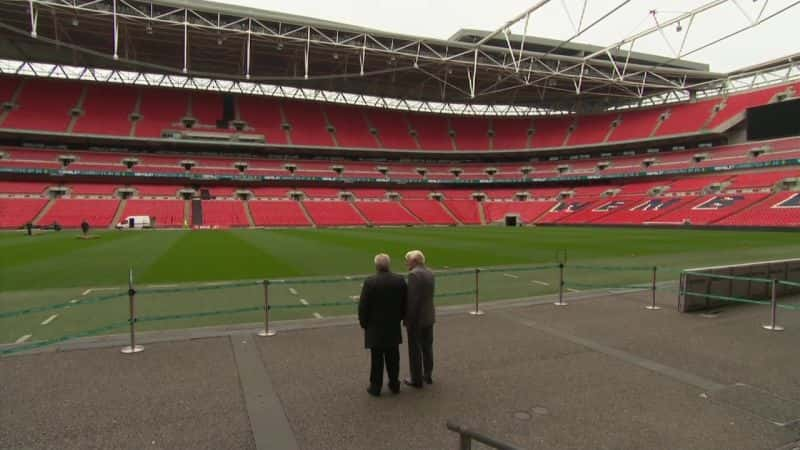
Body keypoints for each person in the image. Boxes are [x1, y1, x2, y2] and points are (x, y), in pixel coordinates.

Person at [358, 253, 407, 397]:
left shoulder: (370, 282)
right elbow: (405, 303)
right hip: (392, 325)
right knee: (393, 358)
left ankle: (375, 387)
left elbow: (363, 307)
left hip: (375, 328)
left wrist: (364, 324)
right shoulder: (399, 280)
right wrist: (400, 317)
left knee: (377, 360)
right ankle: (394, 384)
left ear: (376, 266)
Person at [403, 250, 436, 388]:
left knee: (415, 349)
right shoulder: (430, 272)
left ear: (415, 261)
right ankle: (427, 375)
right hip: (429, 315)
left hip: (417, 319)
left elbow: (413, 301)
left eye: (408, 260)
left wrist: (408, 320)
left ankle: (416, 379)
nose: (406, 263)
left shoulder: (413, 275)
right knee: (427, 347)